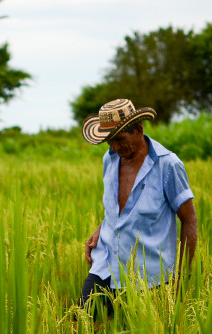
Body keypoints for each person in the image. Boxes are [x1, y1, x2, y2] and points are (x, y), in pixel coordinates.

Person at [80, 99, 197, 318]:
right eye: (109, 142)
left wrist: (182, 277)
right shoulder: (110, 159)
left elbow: (189, 219)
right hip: (106, 266)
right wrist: (100, 229)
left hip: (149, 278)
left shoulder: (168, 165)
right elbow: (117, 211)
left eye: (120, 140)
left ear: (139, 130)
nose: (115, 147)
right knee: (82, 329)